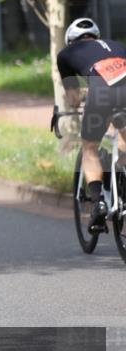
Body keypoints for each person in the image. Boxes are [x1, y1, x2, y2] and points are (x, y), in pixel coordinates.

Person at [55, 17, 126, 232]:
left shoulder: (66, 55)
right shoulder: (118, 46)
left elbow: (74, 98)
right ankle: (121, 177)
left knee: (90, 147)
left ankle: (98, 203)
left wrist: (82, 98)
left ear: (70, 40)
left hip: (102, 94)